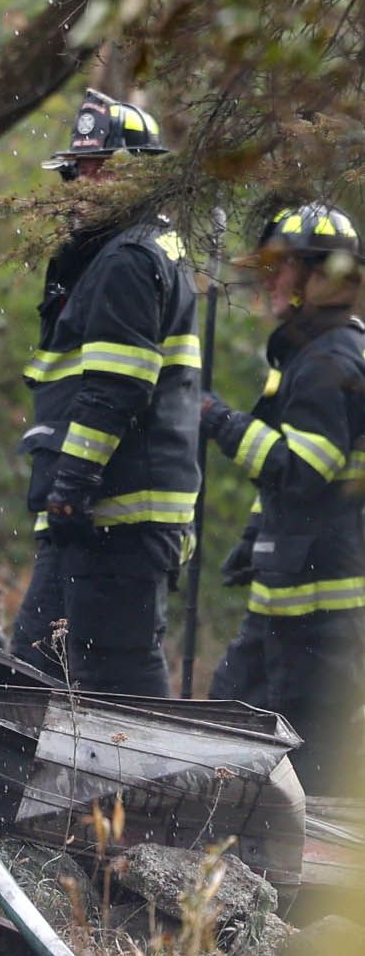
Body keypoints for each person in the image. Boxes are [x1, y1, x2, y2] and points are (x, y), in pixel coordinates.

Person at [10, 89, 203, 694]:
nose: (83, 184)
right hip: (103, 512)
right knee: (41, 665)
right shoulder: (130, 252)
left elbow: (116, 387)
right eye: (79, 169)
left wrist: (72, 484)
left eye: (102, 170)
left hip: (113, 512)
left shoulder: (126, 258)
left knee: (112, 678)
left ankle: (168, 791)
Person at [204, 203, 365, 791]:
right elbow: (285, 485)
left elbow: (300, 473)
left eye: (282, 267)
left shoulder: (329, 363)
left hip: (318, 620)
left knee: (304, 772)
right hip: (289, 605)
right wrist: (254, 538)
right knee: (229, 727)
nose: (268, 280)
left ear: (321, 277)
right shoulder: (310, 354)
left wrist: (218, 420)